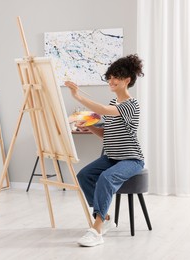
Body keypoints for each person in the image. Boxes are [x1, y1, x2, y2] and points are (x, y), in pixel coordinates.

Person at [64, 54, 145, 247]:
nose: (111, 81)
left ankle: (96, 229)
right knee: (84, 175)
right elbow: (104, 135)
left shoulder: (131, 105)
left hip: (131, 160)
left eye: (116, 77)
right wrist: (88, 125)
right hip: (111, 157)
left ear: (127, 80)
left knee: (106, 178)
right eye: (109, 77)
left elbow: (101, 110)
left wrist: (77, 97)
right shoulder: (112, 103)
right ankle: (106, 218)